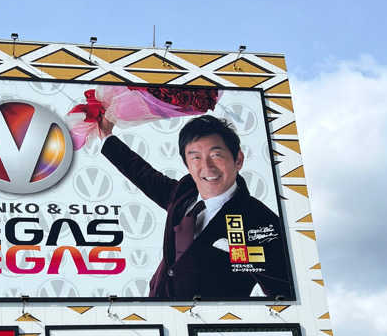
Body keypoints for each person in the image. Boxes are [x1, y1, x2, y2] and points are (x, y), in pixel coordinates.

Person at [98, 113, 294, 300]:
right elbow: (142, 173)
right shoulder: (184, 193)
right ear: (187, 165)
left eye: (216, 155)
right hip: (158, 311)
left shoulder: (261, 220)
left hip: (209, 327)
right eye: (196, 157)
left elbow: (285, 292)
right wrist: (106, 136)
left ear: (238, 160)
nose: (207, 167)